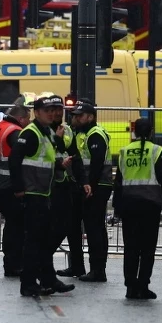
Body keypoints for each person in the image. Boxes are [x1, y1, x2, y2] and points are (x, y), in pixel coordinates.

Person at [9, 95, 75, 297]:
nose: (51, 114)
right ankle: (29, 283)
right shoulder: (30, 133)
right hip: (33, 193)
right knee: (34, 241)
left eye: (52, 111)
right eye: (46, 111)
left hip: (44, 192)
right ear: (36, 113)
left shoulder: (46, 133)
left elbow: (44, 161)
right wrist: (19, 188)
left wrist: (60, 167)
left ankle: (47, 279)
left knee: (43, 239)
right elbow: (14, 159)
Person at [114, 119, 162, 299]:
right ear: (151, 132)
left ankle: (130, 287)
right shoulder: (156, 151)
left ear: (135, 132)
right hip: (150, 205)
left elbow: (118, 183)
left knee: (130, 248)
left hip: (128, 204)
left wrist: (116, 207)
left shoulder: (124, 151)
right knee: (147, 248)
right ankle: (143, 286)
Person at [60, 100, 111, 283]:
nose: (75, 118)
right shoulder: (80, 134)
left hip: (96, 188)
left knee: (94, 229)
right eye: (74, 115)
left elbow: (96, 164)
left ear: (90, 117)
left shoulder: (96, 134)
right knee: (73, 226)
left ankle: (98, 270)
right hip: (81, 187)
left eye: (79, 115)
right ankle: (77, 266)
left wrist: (90, 186)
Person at [0, 104, 31, 277]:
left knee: (12, 225)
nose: (29, 122)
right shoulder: (15, 132)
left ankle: (11, 263)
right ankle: (14, 264)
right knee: (17, 226)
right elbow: (20, 157)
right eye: (27, 119)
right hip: (10, 185)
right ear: (21, 119)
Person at [54, 104, 94, 279]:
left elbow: (74, 157)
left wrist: (84, 181)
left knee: (70, 228)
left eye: (57, 110)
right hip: (46, 187)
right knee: (63, 228)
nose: (74, 118)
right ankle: (72, 266)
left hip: (67, 186)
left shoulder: (68, 131)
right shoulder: (36, 131)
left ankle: (77, 267)